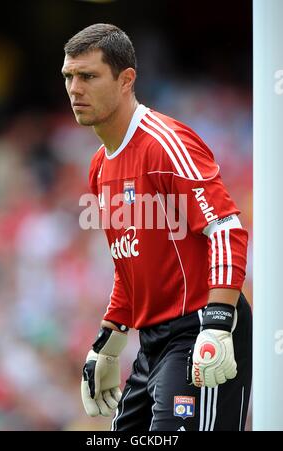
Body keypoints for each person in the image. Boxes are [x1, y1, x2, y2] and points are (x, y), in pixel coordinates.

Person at [62, 23, 252, 431]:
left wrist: (218, 323)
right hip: (152, 342)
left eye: (88, 76)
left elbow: (225, 228)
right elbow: (129, 263)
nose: (74, 89)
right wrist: (108, 344)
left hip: (201, 325)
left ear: (126, 79)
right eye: (69, 77)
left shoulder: (166, 142)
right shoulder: (99, 165)